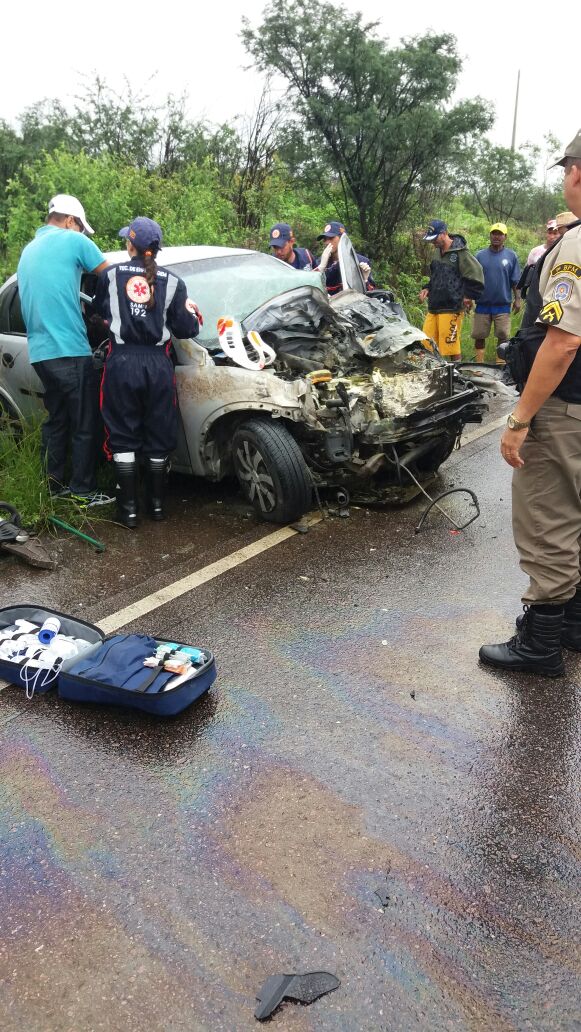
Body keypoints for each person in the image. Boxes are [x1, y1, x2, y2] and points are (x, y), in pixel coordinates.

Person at [479, 129, 581, 677]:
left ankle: (541, 643)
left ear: (578, 172)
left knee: (548, 518)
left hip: (565, 406)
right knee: (577, 512)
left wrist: (519, 420)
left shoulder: (576, 245)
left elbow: (562, 342)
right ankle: (572, 625)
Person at [94, 217, 202, 529]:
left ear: (130, 245)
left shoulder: (111, 275)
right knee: (158, 431)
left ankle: (127, 511)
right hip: (158, 364)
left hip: (122, 362)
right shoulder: (174, 281)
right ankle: (156, 507)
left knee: (122, 432)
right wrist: (194, 315)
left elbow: (100, 312)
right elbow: (185, 328)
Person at [16, 194, 111, 505]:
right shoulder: (73, 241)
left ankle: (53, 487)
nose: (82, 233)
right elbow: (115, 275)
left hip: (42, 354)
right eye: (82, 227)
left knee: (57, 419)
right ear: (71, 221)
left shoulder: (29, 250)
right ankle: (82, 491)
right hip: (69, 350)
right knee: (84, 422)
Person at [418, 219, 484, 362]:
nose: (433, 242)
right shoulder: (437, 252)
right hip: (434, 306)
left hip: (452, 306)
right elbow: (435, 276)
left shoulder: (460, 252)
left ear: (444, 234)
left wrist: (469, 296)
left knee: (451, 346)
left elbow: (476, 274)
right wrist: (427, 288)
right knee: (427, 343)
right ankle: (433, 372)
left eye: (434, 238)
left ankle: (456, 374)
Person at [472, 223, 521, 363]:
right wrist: (468, 297)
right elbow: (473, 279)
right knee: (479, 336)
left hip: (503, 305)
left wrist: (517, 299)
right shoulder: (480, 256)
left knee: (503, 336)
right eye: (494, 233)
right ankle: (478, 366)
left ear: (505, 236)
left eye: (500, 234)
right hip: (482, 304)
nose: (496, 236)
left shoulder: (511, 256)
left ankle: (500, 366)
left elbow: (516, 281)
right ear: (490, 235)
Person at [315, 221, 375, 294]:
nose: (327, 242)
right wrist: (322, 266)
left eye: (331, 238)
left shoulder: (360, 261)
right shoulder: (320, 262)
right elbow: (312, 290)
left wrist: (364, 280)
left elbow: (372, 295)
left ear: (342, 238)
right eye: (325, 239)